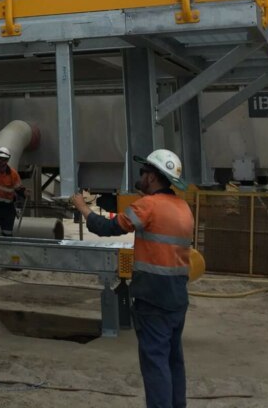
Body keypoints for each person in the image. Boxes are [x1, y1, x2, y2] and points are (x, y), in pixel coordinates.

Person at [71, 149, 194, 408]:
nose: (140, 176)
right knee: (173, 360)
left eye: (143, 172)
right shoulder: (183, 208)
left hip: (152, 298)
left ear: (152, 177)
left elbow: (106, 228)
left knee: (155, 362)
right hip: (177, 297)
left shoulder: (148, 206)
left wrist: (83, 207)